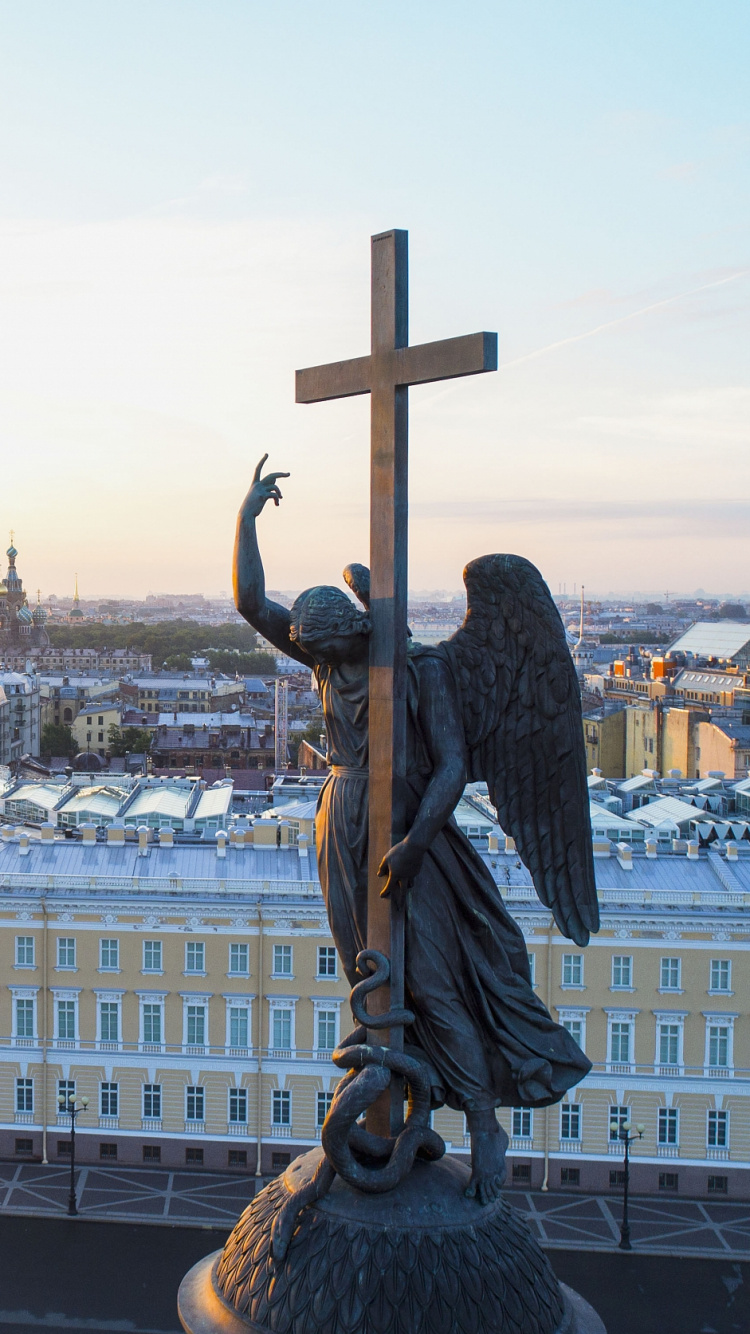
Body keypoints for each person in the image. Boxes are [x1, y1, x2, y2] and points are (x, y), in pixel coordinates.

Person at [234, 457, 590, 1203]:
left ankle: (485, 1123)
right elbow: (250, 603)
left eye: (322, 652)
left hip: (412, 837)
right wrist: (247, 517)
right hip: (343, 823)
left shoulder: (422, 671)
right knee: (368, 971)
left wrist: (416, 843)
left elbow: (455, 768)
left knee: (431, 982)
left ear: (347, 632)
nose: (315, 666)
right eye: (311, 654)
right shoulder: (326, 656)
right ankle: (390, 1108)